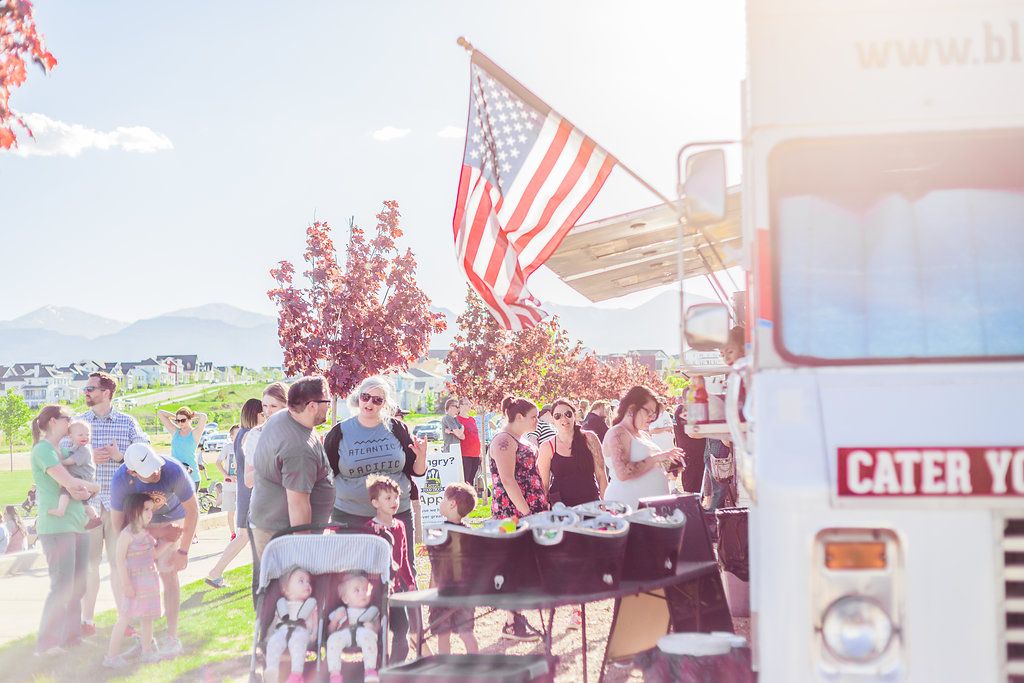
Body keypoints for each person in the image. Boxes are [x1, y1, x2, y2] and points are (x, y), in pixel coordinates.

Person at [325, 376, 427, 580]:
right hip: (351, 515)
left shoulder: (397, 428)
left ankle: (402, 612)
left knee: (403, 572)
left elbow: (416, 471)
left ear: (385, 404)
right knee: (353, 577)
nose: (370, 403)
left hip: (395, 513)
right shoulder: (339, 432)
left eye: (377, 400)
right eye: (365, 397)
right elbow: (326, 476)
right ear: (358, 398)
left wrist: (422, 456)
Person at [76, 371, 150, 637]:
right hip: (89, 506)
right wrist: (87, 458)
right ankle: (87, 621)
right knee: (89, 565)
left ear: (106, 392)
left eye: (90, 388)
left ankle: (125, 621)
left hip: (119, 505)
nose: (86, 392)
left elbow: (145, 453)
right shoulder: (79, 423)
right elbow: (61, 457)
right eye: (86, 388)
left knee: (120, 565)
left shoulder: (128, 423)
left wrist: (121, 457)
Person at [110, 443, 199, 657]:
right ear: (133, 472)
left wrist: (183, 552)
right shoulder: (121, 480)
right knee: (138, 582)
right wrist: (157, 534)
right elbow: (119, 525)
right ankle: (144, 637)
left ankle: (171, 635)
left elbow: (193, 512)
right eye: (149, 472)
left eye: (156, 466)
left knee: (169, 574)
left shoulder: (173, 469)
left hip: (173, 518)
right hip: (139, 526)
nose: (156, 472)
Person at [30, 404, 95, 656]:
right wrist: (91, 487)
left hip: (77, 523)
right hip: (56, 527)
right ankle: (46, 646)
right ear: (55, 421)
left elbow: (78, 485)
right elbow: (69, 483)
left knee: (77, 586)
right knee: (62, 585)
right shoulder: (44, 450)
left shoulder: (64, 449)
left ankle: (71, 638)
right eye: (69, 419)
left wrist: (84, 488)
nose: (72, 423)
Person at [249, 376, 336, 562]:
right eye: (327, 401)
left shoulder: (283, 418)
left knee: (271, 587)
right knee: (292, 589)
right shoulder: (298, 449)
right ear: (312, 406)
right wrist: (303, 551)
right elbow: (298, 504)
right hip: (285, 536)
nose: (329, 406)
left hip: (269, 526)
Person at [489, 395, 548, 641]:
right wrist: (525, 512)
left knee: (525, 564)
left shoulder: (521, 438)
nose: (537, 421)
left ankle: (516, 617)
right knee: (513, 564)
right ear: (519, 417)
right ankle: (511, 622)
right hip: (512, 513)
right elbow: (507, 479)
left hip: (530, 508)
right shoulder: (503, 440)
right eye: (533, 417)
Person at [103, 493, 177, 668]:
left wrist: (168, 541)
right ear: (134, 510)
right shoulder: (126, 535)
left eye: (151, 509)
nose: (150, 513)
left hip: (149, 581)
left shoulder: (146, 533)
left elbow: (154, 555)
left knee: (147, 617)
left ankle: (147, 652)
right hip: (134, 582)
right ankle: (111, 657)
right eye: (146, 509)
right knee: (124, 617)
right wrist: (126, 584)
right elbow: (119, 560)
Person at [207, 399, 263, 589]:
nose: (266, 416)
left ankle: (216, 572)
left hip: (244, 490)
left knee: (246, 536)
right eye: (263, 412)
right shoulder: (250, 435)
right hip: (249, 491)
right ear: (255, 414)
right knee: (245, 535)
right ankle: (215, 572)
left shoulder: (241, 434)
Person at [602, 386, 684, 509]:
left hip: (651, 511)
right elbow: (623, 473)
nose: (652, 417)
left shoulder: (643, 434)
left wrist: (671, 464)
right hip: (628, 509)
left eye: (654, 413)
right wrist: (657, 458)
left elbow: (651, 463)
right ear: (632, 408)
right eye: (649, 412)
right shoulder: (618, 432)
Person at [364, 475, 415, 662]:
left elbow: (403, 558)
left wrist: (410, 583)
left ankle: (395, 666)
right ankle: (378, 666)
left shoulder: (400, 526)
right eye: (388, 498)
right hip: (375, 590)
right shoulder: (369, 528)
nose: (394, 501)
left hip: (396, 588)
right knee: (378, 630)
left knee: (402, 628)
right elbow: (366, 562)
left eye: (396, 497)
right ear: (375, 502)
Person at [430, 482, 480, 655]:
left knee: (443, 634)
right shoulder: (471, 534)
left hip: (443, 593)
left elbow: (436, 568)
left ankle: (445, 668)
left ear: (452, 504)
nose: (441, 502)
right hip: (465, 593)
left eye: (444, 499)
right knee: (466, 633)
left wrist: (431, 592)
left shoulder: (439, 534)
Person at [702, 326, 746, 510]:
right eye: (722, 354)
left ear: (744, 348)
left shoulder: (745, 374)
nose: (726, 357)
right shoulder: (736, 375)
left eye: (730, 351)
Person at [537, 398, 607, 507]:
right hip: (561, 508)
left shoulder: (590, 438)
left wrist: (605, 504)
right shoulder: (547, 447)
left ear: (574, 415)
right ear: (552, 419)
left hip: (591, 503)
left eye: (568, 414)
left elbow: (601, 474)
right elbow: (544, 485)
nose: (563, 419)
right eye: (558, 416)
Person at [50, 420, 102, 529]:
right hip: (83, 478)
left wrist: (59, 461)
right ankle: (94, 518)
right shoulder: (76, 448)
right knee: (84, 503)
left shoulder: (85, 449)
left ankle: (61, 510)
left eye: (88, 434)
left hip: (83, 478)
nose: (85, 437)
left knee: (65, 489)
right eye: (81, 435)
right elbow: (70, 453)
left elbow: (71, 461)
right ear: (70, 436)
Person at [243, 381, 289, 489]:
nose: (268, 411)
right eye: (265, 405)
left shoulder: (298, 433)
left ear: (286, 406)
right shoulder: (255, 435)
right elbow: (248, 481)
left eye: (273, 406)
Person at [157, 407, 208, 490]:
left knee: (189, 503)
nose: (180, 423)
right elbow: (160, 413)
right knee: (174, 503)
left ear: (189, 420)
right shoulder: (175, 431)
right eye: (178, 421)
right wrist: (176, 417)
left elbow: (203, 417)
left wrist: (193, 414)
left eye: (183, 420)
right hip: (175, 475)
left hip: (191, 476)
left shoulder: (195, 433)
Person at [673, 400, 706, 494]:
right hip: (692, 455)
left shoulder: (682, 410)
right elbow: (692, 434)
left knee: (694, 488)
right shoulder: (684, 411)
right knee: (691, 489)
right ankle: (691, 507)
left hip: (691, 454)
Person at [216, 424, 241, 536]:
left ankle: (243, 533)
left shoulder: (246, 447)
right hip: (229, 485)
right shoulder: (228, 448)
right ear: (231, 436)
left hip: (242, 485)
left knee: (244, 510)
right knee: (231, 510)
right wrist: (227, 476)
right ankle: (233, 533)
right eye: (237, 433)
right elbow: (218, 463)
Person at [457, 398, 482, 486]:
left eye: (469, 403)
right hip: (465, 454)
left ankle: (470, 497)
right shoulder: (457, 419)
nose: (469, 405)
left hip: (476, 453)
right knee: (465, 479)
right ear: (460, 406)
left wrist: (480, 453)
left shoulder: (472, 419)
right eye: (466, 403)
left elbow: (476, 435)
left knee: (472, 479)